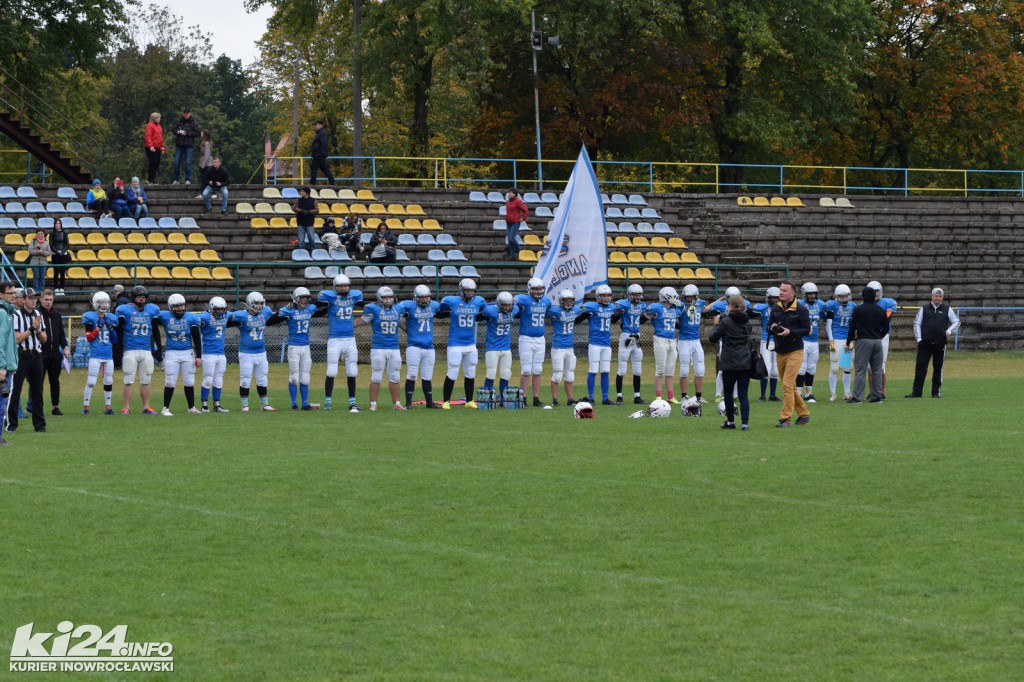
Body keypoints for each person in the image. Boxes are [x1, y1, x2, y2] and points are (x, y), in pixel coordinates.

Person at [766, 281, 811, 427]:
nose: (781, 292)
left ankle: (785, 419)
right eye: (780, 290)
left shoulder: (801, 309)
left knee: (786, 385)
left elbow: (807, 329)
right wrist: (772, 328)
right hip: (780, 351)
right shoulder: (775, 308)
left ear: (792, 293)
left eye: (784, 290)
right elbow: (768, 326)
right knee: (789, 386)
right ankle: (804, 414)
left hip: (795, 351)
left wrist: (790, 332)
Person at [353, 286, 405, 411]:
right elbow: (361, 321)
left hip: (394, 347)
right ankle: (373, 404)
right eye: (385, 297)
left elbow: (402, 324)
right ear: (379, 298)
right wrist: (344, 326)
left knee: (395, 376)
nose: (388, 299)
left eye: (390, 296)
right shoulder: (373, 309)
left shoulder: (398, 309)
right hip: (378, 347)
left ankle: (397, 403)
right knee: (376, 377)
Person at [277, 286, 327, 410]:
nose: (305, 300)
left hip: (306, 347)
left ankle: (305, 404)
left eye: (306, 297)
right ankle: (294, 404)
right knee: (294, 376)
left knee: (305, 377)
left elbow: (323, 309)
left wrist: (331, 304)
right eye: (302, 297)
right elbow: (271, 321)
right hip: (293, 347)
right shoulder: (288, 310)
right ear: (295, 298)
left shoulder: (310, 308)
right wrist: (280, 311)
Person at [228, 292, 280, 412]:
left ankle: (265, 404)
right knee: (245, 379)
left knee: (262, 379)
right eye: (256, 303)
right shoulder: (241, 315)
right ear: (249, 303)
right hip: (246, 353)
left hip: (261, 352)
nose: (259, 306)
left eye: (261, 303)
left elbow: (274, 317)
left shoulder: (265, 312)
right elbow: (227, 318)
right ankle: (245, 405)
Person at [439, 278, 486, 409]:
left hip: (470, 343)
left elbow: (486, 310)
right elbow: (441, 309)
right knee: (452, 372)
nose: (470, 292)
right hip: (455, 343)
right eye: (467, 290)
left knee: (470, 372)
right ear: (461, 290)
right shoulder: (452, 301)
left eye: (471, 290)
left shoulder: (478, 301)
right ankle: (446, 401)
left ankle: (469, 401)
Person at [318, 274, 363, 412]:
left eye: (345, 285)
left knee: (352, 371)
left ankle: (352, 403)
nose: (343, 288)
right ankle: (328, 402)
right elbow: (317, 305)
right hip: (335, 339)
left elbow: (364, 305)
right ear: (335, 287)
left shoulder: (355, 295)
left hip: (350, 338)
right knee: (331, 371)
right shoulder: (329, 297)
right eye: (341, 286)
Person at [709, 294, 754, 430]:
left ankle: (730, 422)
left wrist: (716, 324)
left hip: (729, 361)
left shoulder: (726, 322)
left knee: (728, 393)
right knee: (743, 395)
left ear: (730, 306)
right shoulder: (748, 323)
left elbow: (712, 338)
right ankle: (745, 424)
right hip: (745, 361)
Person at [115, 284, 162, 415]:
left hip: (146, 349)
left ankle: (146, 407)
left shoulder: (151, 310)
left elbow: (155, 329)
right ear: (133, 298)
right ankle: (126, 407)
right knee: (128, 379)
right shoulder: (125, 310)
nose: (141, 299)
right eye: (139, 297)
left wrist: (159, 347)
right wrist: (119, 348)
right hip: (130, 349)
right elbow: (119, 330)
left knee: (146, 379)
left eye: (143, 297)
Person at [908, 287, 960, 399]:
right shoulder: (924, 309)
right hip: (925, 344)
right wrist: (919, 339)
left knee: (938, 369)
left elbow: (957, 322)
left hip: (940, 344)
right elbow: (917, 323)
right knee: (920, 368)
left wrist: (949, 331)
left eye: (940, 296)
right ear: (932, 296)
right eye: (936, 296)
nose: (938, 298)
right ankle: (916, 393)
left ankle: (936, 392)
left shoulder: (947, 309)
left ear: (942, 298)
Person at [155, 294, 203, 416]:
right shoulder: (165, 316)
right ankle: (165, 408)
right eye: (176, 306)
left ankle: (191, 407)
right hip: (171, 353)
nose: (179, 308)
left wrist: (199, 356)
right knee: (170, 381)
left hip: (188, 352)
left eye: (181, 305)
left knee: (189, 381)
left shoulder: (191, 318)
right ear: (170, 307)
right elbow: (152, 320)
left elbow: (196, 338)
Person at [9, 288, 48, 433]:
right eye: (30, 298)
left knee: (38, 392)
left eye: (35, 298)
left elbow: (44, 339)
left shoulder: (38, 314)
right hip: (21, 355)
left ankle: (40, 425)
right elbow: (17, 339)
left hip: (36, 355)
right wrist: (32, 328)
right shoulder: (16, 315)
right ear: (23, 299)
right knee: (16, 391)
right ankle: (12, 424)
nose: (33, 300)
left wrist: (37, 330)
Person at [398, 284, 443, 408]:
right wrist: (407, 329)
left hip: (429, 347)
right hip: (414, 346)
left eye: (426, 297)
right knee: (412, 375)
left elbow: (444, 311)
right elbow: (395, 314)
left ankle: (429, 403)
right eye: (421, 297)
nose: (424, 299)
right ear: (416, 297)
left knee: (427, 376)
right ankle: (408, 403)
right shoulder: (408, 305)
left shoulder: (434, 305)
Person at [845, 286, 889, 403]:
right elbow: (886, 327)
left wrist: (848, 342)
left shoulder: (859, 309)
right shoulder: (880, 309)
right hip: (877, 342)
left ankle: (858, 397)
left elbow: (852, 327)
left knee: (860, 370)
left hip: (863, 341)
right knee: (877, 370)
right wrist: (879, 336)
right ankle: (877, 396)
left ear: (863, 296)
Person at [577, 284, 618, 405]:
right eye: (603, 295)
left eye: (608, 295)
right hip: (595, 343)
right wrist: (585, 315)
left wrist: (620, 313)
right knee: (593, 370)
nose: (606, 298)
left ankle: (605, 398)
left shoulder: (612, 307)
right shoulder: (591, 307)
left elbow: (614, 320)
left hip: (606, 343)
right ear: (598, 296)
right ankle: (591, 398)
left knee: (605, 370)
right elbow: (577, 320)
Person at [478, 291, 519, 406]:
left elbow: (517, 305)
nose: (507, 307)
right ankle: (487, 399)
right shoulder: (491, 311)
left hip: (506, 348)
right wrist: (492, 304)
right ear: (499, 304)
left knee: (506, 373)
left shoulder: (514, 309)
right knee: (491, 373)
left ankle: (503, 399)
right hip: (492, 348)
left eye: (508, 305)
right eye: (504, 305)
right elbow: (483, 308)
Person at [516, 277, 551, 407]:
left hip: (540, 339)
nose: (538, 291)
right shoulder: (523, 300)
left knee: (537, 370)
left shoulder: (546, 301)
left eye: (540, 289)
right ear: (529, 289)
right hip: (526, 338)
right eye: (535, 289)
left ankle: (536, 399)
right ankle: (523, 398)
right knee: (526, 370)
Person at [81, 291, 118, 415]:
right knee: (91, 382)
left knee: (108, 381)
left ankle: (108, 407)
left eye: (106, 302)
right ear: (96, 304)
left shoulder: (111, 318)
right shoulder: (90, 317)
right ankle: (86, 407)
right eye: (101, 302)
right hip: (95, 354)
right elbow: (89, 338)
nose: (104, 305)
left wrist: (111, 328)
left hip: (108, 355)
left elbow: (115, 340)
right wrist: (98, 328)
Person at [547, 289, 581, 406]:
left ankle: (570, 400)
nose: (568, 303)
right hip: (558, 347)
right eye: (566, 300)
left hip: (570, 348)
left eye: (570, 300)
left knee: (570, 376)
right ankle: (555, 400)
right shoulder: (555, 311)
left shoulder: (576, 310)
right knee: (557, 375)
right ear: (561, 301)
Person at [614, 284, 647, 405]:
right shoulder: (623, 304)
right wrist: (618, 313)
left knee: (638, 369)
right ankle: (619, 396)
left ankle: (637, 396)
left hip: (637, 337)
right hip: (626, 337)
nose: (638, 297)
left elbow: (641, 320)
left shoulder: (642, 305)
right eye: (635, 295)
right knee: (622, 369)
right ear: (630, 295)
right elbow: (613, 319)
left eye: (639, 294)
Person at [38, 290, 69, 416]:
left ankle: (55, 406)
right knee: (38, 382)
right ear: (41, 299)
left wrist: (65, 346)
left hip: (55, 353)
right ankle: (37, 406)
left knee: (54, 381)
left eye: (51, 300)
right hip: (41, 353)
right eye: (46, 299)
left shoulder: (57, 315)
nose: (48, 302)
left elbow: (61, 333)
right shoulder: (37, 314)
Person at [198, 296, 230, 413]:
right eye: (217, 309)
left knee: (219, 379)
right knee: (208, 379)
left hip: (221, 353)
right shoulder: (204, 317)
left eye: (222, 309)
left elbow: (237, 314)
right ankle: (204, 405)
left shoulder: (227, 315)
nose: (220, 311)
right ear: (211, 308)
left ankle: (217, 405)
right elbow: (193, 319)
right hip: (208, 353)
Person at [824, 284, 856, 401]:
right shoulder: (832, 305)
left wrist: (852, 339)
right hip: (836, 338)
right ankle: (833, 393)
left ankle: (847, 393)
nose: (844, 298)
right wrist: (831, 340)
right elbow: (828, 324)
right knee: (834, 368)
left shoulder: (852, 306)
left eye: (845, 296)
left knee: (847, 367)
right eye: (841, 296)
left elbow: (854, 325)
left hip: (847, 340)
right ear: (837, 297)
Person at [866, 280, 897, 398]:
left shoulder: (888, 302)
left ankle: (881, 392)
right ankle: (871, 392)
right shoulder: (863, 304)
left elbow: (886, 320)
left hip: (882, 336)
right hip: (869, 335)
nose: (875, 294)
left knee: (881, 367)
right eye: (873, 291)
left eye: (877, 291)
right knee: (870, 368)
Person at [676, 284, 706, 404]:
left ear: (696, 296)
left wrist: (718, 301)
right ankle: (684, 396)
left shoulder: (700, 303)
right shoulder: (680, 306)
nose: (689, 299)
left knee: (700, 369)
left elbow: (707, 309)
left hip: (696, 340)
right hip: (684, 340)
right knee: (684, 370)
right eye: (687, 297)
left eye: (691, 297)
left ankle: (698, 396)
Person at [797, 282, 827, 403]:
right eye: (809, 294)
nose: (812, 296)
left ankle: (808, 394)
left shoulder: (820, 304)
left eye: (814, 293)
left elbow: (826, 317)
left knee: (812, 368)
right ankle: (798, 393)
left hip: (814, 341)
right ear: (804, 294)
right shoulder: (798, 304)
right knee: (801, 367)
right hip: (802, 340)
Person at [753, 287, 781, 402]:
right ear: (768, 298)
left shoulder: (783, 308)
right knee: (766, 368)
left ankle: (772, 395)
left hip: (779, 340)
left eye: (777, 298)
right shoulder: (763, 308)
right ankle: (763, 395)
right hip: (766, 340)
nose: (775, 300)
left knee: (775, 369)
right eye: (773, 298)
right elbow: (752, 311)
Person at [0, 282, 19, 445]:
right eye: (10, 293)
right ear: (1, 295)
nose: (14, 295)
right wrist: (2, 366)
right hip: (2, 367)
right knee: (1, 405)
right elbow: (0, 341)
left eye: (14, 293)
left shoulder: (8, 313)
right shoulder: (2, 313)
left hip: (6, 365)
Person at [171, 107, 201, 185]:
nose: (186, 115)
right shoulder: (178, 121)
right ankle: (176, 179)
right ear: (183, 114)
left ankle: (188, 179)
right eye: (185, 113)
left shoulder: (194, 122)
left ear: (190, 114)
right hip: (179, 145)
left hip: (189, 146)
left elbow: (198, 133)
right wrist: (177, 132)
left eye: (187, 113)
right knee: (176, 162)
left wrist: (187, 133)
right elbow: (173, 130)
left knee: (188, 163)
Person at [48, 219, 71, 296]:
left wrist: (62, 252)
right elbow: (51, 244)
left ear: (61, 224)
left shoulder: (64, 233)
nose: (57, 225)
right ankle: (56, 288)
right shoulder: (52, 233)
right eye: (56, 223)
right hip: (55, 254)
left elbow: (67, 244)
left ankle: (62, 288)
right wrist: (57, 252)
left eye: (59, 223)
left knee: (62, 272)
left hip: (63, 254)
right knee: (56, 271)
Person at [292, 186, 319, 253]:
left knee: (311, 239)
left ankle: (313, 251)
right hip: (300, 222)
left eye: (303, 191)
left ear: (307, 192)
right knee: (301, 240)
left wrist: (309, 212)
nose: (301, 192)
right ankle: (301, 252)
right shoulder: (298, 200)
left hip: (309, 222)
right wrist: (302, 211)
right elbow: (294, 208)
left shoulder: (313, 200)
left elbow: (317, 210)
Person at [504, 189, 528, 260]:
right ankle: (512, 255)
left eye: (510, 193)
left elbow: (526, 210)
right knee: (509, 239)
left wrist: (523, 218)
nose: (509, 194)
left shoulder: (518, 201)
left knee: (512, 238)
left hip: (515, 222)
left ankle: (519, 250)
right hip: (509, 222)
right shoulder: (508, 202)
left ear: (514, 194)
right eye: (509, 193)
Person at [310, 120, 335, 185]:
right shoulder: (321, 133)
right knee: (324, 168)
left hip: (319, 154)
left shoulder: (322, 133)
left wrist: (321, 153)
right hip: (319, 154)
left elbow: (324, 144)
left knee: (314, 168)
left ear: (320, 125)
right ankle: (332, 182)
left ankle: (312, 183)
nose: (315, 126)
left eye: (316, 125)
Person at [144, 112, 165, 184]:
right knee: (153, 162)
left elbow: (160, 138)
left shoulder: (159, 126)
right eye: (158, 118)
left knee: (157, 163)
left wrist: (162, 147)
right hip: (151, 147)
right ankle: (151, 179)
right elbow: (148, 136)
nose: (160, 119)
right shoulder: (149, 125)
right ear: (155, 118)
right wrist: (150, 146)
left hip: (158, 147)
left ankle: (150, 178)